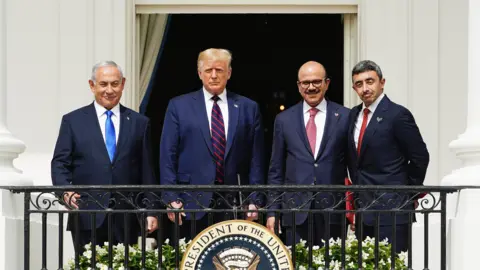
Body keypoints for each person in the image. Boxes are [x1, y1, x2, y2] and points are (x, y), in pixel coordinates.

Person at [51, 61, 158, 253]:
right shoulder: (73, 121)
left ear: (123, 84)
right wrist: (65, 192)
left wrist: (151, 211)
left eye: (115, 84)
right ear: (92, 86)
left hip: (127, 216)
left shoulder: (139, 123)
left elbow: (147, 170)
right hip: (86, 213)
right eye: (103, 84)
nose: (109, 90)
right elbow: (60, 163)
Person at [159, 48, 264, 240]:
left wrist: (254, 200)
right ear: (199, 73)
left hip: (234, 203)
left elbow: (255, 159)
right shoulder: (179, 106)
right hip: (190, 202)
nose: (214, 75)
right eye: (208, 70)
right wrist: (171, 197)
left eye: (219, 70)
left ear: (229, 73)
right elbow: (168, 155)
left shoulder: (248, 107)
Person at [346, 60, 429, 252]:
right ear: (354, 88)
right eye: (359, 84)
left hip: (393, 210)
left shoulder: (398, 114)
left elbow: (420, 157)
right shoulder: (353, 115)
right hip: (363, 211)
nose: (365, 88)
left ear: (382, 82)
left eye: (370, 81)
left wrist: (406, 192)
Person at [267, 61, 350, 246]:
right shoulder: (284, 120)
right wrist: (272, 212)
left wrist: (356, 211)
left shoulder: (345, 116)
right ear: (298, 86)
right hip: (295, 212)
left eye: (316, 82)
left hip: (333, 211)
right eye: (305, 83)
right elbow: (276, 170)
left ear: (327, 83)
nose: (311, 87)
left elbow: (354, 166)